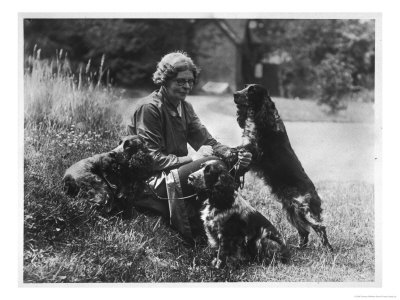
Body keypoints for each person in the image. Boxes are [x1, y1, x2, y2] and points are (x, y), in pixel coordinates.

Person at [127, 51, 252, 241]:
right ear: (164, 80)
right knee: (211, 164)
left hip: (173, 172)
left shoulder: (184, 107)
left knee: (225, 160)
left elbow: (208, 142)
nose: (186, 86)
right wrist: (193, 159)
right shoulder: (149, 108)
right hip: (150, 183)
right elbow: (150, 160)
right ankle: (206, 230)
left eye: (190, 81)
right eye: (180, 81)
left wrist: (234, 154)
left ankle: (231, 225)